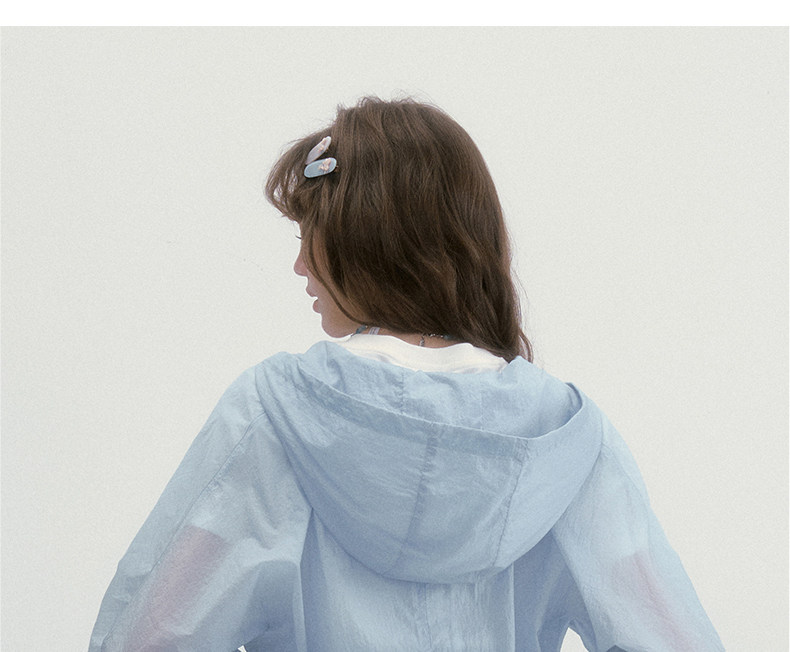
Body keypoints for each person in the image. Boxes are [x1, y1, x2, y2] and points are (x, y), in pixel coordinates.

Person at [89, 97, 723, 651]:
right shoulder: (566, 437)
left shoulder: (272, 414)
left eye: (313, 234)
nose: (300, 265)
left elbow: (152, 636)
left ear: (368, 240)